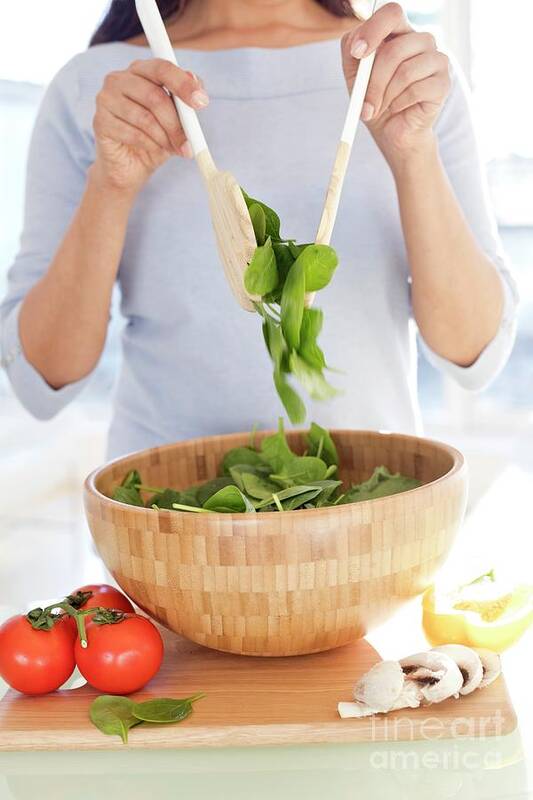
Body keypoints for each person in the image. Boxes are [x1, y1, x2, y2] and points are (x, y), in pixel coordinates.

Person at [0, 0, 518, 459]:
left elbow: (473, 352)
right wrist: (110, 184)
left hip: (371, 513)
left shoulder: (398, 74)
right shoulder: (97, 88)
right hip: (166, 522)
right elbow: (42, 378)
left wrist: (411, 152)